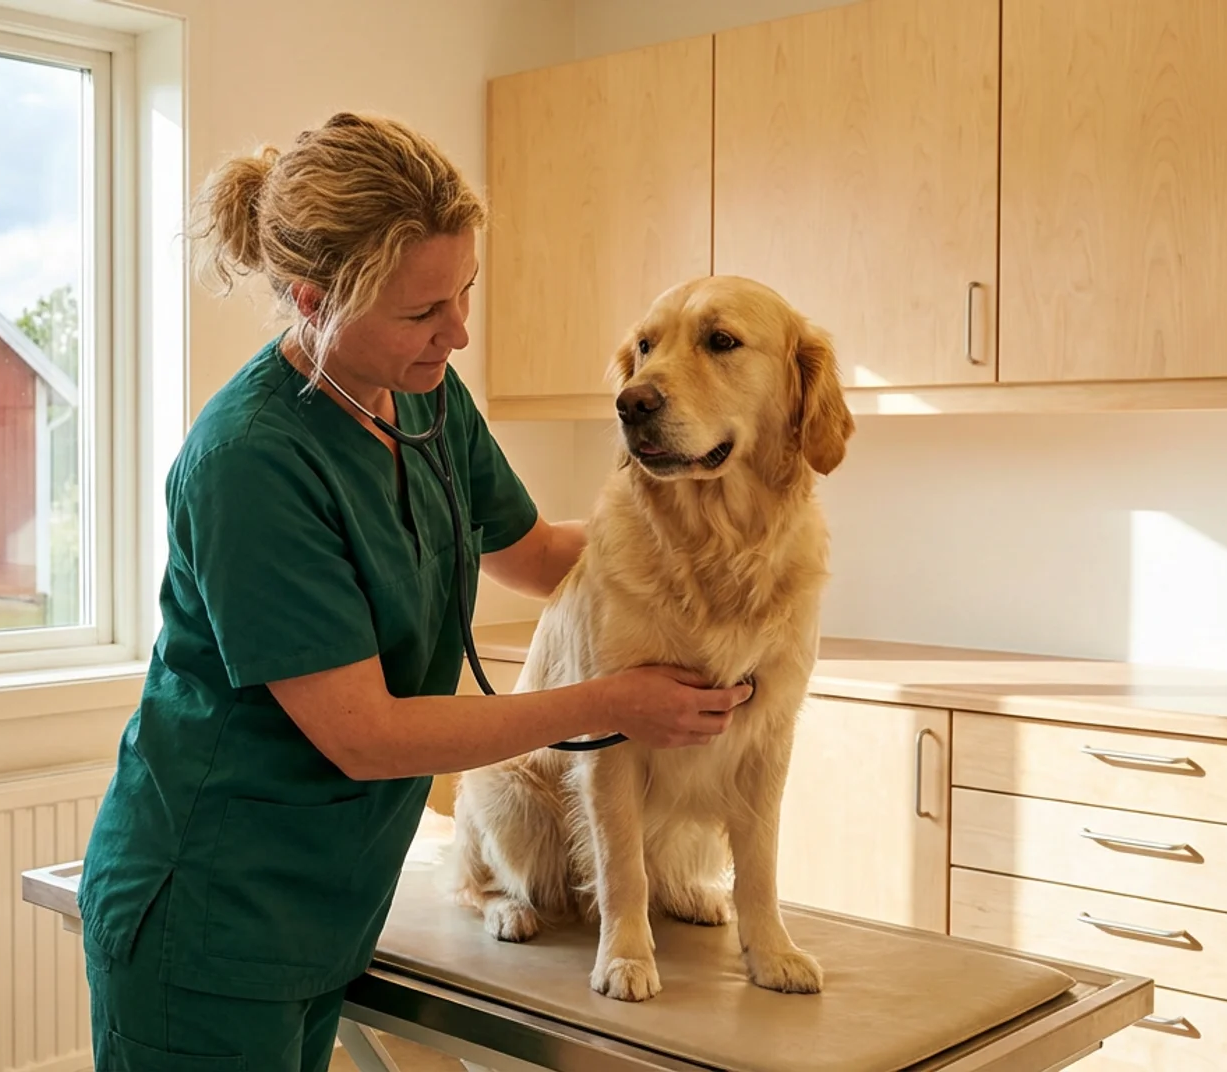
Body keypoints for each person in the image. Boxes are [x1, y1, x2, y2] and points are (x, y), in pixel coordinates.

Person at [76, 111, 756, 1072]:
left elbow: (540, 554)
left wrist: (740, 561)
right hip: (210, 912)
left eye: (465, 292)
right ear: (314, 300)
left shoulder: (424, 392)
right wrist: (610, 705)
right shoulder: (250, 463)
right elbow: (367, 735)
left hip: (327, 902)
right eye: (422, 311)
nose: (459, 331)